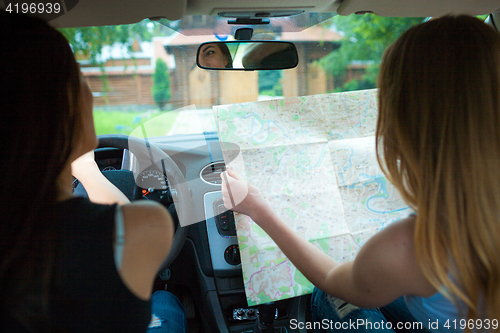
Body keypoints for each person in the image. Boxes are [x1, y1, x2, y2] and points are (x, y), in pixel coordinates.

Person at [221, 15, 500, 332]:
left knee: (330, 295)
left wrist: (259, 210)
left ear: (402, 126)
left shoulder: (411, 247)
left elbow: (330, 278)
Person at [0, 11, 185, 332]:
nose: (93, 95)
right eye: (82, 79)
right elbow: (124, 237)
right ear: (62, 106)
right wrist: (85, 166)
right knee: (166, 303)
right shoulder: (146, 226)